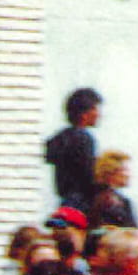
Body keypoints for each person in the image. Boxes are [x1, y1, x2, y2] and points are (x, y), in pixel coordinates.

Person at [44, 87, 103, 225]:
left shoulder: (60, 138)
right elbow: (88, 176)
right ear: (84, 114)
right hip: (82, 204)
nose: (98, 114)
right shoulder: (84, 139)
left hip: (65, 202)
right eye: (95, 109)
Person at [90, 149, 138, 230]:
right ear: (110, 172)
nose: (128, 175)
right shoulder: (96, 201)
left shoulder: (124, 202)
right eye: (125, 170)